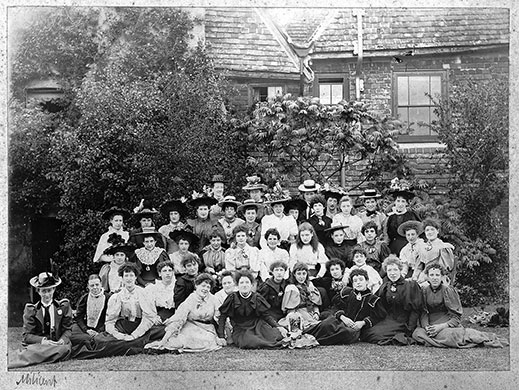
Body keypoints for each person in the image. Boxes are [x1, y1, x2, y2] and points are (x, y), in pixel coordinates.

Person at [412, 263, 508, 348]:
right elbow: (423, 312)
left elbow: (456, 316)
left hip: (446, 323)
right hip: (431, 323)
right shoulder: (424, 291)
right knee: (417, 333)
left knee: (449, 335)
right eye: (431, 275)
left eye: (437, 275)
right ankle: (441, 339)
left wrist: (441, 327)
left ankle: (444, 339)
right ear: (427, 277)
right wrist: (426, 327)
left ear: (442, 277)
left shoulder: (448, 291)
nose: (434, 278)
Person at [144, 273, 225, 353]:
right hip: (190, 326)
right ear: (196, 286)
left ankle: (177, 349)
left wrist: (222, 336)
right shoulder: (191, 299)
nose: (205, 289)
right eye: (203, 286)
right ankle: (162, 346)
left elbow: (220, 317)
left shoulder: (214, 300)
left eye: (208, 287)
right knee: (179, 341)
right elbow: (179, 318)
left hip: (207, 329)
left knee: (207, 342)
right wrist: (164, 340)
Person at [304, 269, 387, 345]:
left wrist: (363, 323)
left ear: (367, 281)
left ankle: (315, 341)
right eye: (355, 281)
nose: (358, 283)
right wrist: (343, 317)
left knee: (345, 333)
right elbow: (336, 307)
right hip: (342, 320)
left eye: (361, 280)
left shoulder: (373, 299)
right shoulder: (347, 293)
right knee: (327, 323)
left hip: (355, 328)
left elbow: (377, 316)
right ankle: (304, 335)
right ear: (353, 283)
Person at [9, 272, 73, 368]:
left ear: (54, 289)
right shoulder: (31, 310)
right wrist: (43, 341)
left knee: (64, 349)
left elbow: (68, 329)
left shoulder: (63, 306)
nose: (47, 294)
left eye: (49, 290)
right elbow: (27, 336)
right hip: (40, 345)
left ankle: (36, 356)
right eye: (43, 291)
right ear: (38, 291)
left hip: (57, 344)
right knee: (36, 350)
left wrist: (62, 340)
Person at [217, 271, 288, 348]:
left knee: (275, 335)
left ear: (251, 285)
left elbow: (266, 316)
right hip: (241, 329)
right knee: (250, 341)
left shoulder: (257, 298)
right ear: (237, 285)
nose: (244, 285)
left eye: (247, 282)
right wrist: (221, 336)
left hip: (257, 326)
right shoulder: (232, 298)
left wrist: (278, 326)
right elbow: (222, 317)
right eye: (242, 283)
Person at [362, 256, 424, 345]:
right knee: (367, 332)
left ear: (400, 270)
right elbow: (375, 302)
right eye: (389, 270)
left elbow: (416, 309)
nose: (392, 273)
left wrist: (410, 329)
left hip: (403, 321)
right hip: (389, 318)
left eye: (395, 270)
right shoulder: (386, 286)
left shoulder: (411, 285)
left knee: (374, 335)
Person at [104, 262, 164, 344]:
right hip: (123, 326)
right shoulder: (116, 297)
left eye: (131, 275)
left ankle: (132, 341)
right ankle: (126, 342)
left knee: (162, 331)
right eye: (126, 276)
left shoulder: (144, 293)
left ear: (136, 277)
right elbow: (110, 322)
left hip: (141, 326)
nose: (129, 279)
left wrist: (134, 335)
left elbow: (149, 318)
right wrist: (119, 335)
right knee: (104, 340)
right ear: (122, 278)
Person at [70, 274, 111, 349]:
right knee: (71, 334)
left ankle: (93, 342)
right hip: (87, 329)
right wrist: (86, 330)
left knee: (104, 338)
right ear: (88, 286)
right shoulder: (85, 298)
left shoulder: (108, 298)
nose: (95, 287)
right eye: (92, 285)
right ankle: (90, 341)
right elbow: (79, 317)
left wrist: (99, 331)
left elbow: (110, 318)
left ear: (101, 284)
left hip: (103, 329)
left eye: (97, 285)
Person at [412, 218, 457, 287]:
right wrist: (415, 278)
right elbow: (419, 267)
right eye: (427, 230)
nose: (430, 232)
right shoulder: (422, 247)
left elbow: (444, 268)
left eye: (432, 229)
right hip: (423, 278)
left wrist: (426, 275)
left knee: (424, 287)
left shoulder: (443, 247)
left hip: (439, 277)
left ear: (437, 231)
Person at [279, 262, 322, 330]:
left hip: (310, 313)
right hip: (298, 314)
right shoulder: (291, 288)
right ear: (294, 274)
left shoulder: (309, 285)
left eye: (304, 274)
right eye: (299, 274)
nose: (301, 277)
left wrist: (316, 312)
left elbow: (315, 303)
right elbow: (289, 309)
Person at [385, 179, 420, 256]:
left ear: (407, 203)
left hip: (408, 245)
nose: (400, 204)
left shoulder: (411, 215)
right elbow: (387, 234)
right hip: (393, 247)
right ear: (394, 202)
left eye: (403, 201)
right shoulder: (391, 217)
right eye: (398, 201)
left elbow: (417, 232)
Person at [145, 260, 177, 325]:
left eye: (170, 270)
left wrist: (174, 319)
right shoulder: (153, 288)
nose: (168, 273)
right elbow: (148, 307)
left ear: (173, 272)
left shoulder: (178, 287)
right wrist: (154, 317)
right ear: (159, 273)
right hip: (158, 317)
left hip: (174, 317)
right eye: (164, 271)